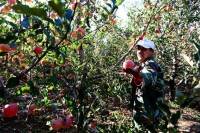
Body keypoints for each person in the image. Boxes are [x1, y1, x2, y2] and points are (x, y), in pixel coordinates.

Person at [123, 38, 166, 132]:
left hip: (149, 113)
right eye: (139, 48)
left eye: (144, 49)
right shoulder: (143, 65)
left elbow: (148, 77)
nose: (140, 51)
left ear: (152, 51)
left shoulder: (151, 65)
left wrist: (136, 75)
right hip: (145, 112)